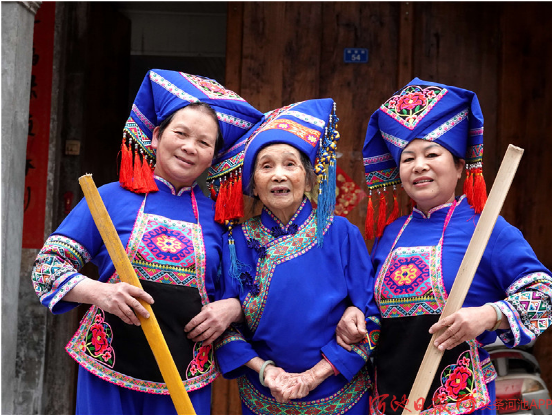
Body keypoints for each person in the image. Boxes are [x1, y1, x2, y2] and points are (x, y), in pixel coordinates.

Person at [31, 69, 263, 415]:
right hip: (107, 369)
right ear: (156, 136)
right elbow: (46, 268)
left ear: (214, 155)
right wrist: (101, 293)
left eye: (204, 143)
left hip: (185, 376)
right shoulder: (109, 198)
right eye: (180, 133)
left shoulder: (221, 219)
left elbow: (253, 291)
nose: (189, 147)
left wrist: (231, 308)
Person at [336, 78, 552, 415]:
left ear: (460, 166)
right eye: (408, 158)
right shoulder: (390, 234)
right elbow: (372, 311)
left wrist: (487, 315)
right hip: (389, 400)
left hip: (460, 402)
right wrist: (355, 315)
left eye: (432, 154)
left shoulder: (487, 228)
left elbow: (544, 295)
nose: (419, 165)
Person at [213, 99, 381, 414]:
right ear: (253, 184)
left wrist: (315, 375)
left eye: (290, 164)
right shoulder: (235, 242)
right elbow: (224, 328)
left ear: (308, 178)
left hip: (339, 395)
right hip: (265, 395)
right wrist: (266, 371)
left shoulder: (341, 233)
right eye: (266, 166)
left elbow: (370, 315)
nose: (279, 175)